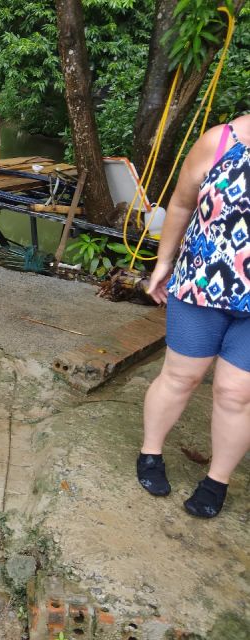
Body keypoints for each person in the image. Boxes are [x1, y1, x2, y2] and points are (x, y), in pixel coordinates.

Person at [140, 113, 250, 518]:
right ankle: (150, 452)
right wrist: (162, 264)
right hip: (202, 285)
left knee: (236, 393)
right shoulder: (219, 142)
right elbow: (182, 204)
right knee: (181, 376)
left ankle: (216, 480)